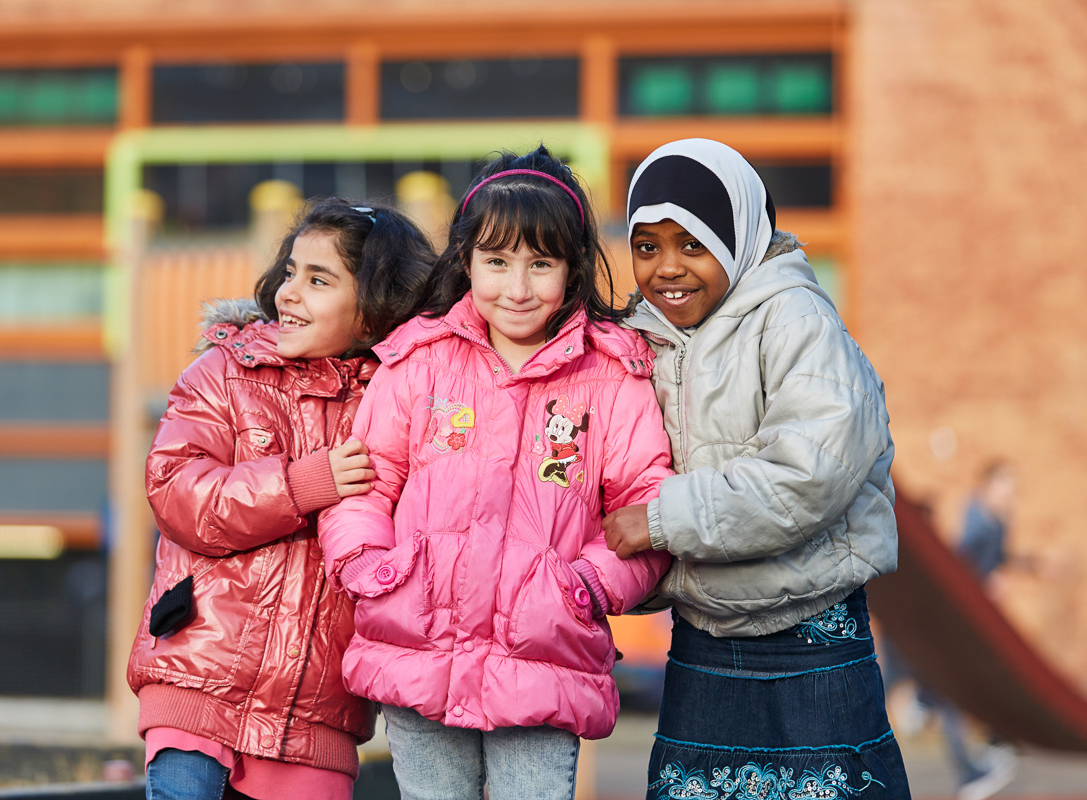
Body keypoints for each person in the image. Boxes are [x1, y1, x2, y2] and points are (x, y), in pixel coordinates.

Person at [317, 146, 675, 800]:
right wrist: (370, 566)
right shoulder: (420, 362)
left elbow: (643, 507)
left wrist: (587, 586)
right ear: (467, 261)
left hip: (544, 656)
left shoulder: (610, 378)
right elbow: (366, 480)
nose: (517, 287)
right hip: (421, 647)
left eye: (540, 264)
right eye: (498, 262)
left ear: (572, 269)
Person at [604, 139, 911, 799]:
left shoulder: (797, 320)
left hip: (811, 637)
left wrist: (661, 520)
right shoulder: (641, 341)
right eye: (647, 246)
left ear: (739, 236)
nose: (666, 268)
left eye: (693, 244)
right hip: (706, 642)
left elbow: (809, 474)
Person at [127, 199, 437, 800]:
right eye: (291, 272)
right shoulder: (225, 372)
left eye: (319, 280)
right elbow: (176, 492)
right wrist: (301, 484)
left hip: (318, 713)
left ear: (376, 310)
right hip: (198, 680)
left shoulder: (395, 401)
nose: (290, 292)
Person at [939, 460, 1021, 800]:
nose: (1011, 495)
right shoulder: (974, 518)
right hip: (956, 620)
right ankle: (969, 770)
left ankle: (993, 742)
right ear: (987, 486)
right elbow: (958, 565)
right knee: (949, 693)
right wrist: (981, 586)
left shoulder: (1001, 523)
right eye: (1005, 487)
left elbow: (1000, 561)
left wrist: (1036, 564)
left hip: (979, 623)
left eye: (1014, 490)